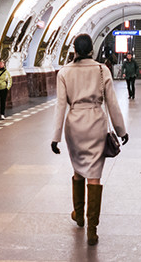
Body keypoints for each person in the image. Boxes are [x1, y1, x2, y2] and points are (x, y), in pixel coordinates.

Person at [51, 34, 128, 246]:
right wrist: (121, 130)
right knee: (94, 175)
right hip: (96, 123)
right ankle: (92, 229)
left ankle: (79, 214)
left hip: (74, 124)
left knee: (77, 169)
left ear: (74, 50)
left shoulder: (64, 72)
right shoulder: (102, 70)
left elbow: (60, 105)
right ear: (91, 50)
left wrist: (55, 137)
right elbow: (112, 103)